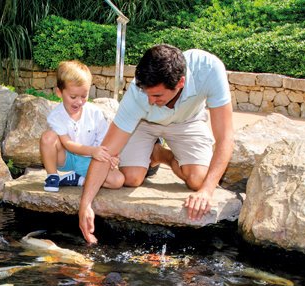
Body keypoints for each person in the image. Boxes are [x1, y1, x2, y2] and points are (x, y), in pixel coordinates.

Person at [78, 44, 234, 244]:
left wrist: (206, 191)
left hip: (187, 122)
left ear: (181, 82)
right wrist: (85, 204)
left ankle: (161, 155)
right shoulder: (137, 94)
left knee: (199, 180)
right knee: (131, 178)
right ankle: (153, 151)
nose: (150, 101)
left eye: (157, 95)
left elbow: (225, 138)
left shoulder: (209, 69)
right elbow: (106, 152)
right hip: (144, 123)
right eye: (147, 93)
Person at [40, 60, 125, 192]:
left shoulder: (95, 113)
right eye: (73, 97)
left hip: (90, 161)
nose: (79, 102)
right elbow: (67, 144)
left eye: (84, 96)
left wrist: (111, 157)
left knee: (117, 181)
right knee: (48, 137)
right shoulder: (56, 116)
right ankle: (53, 176)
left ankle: (78, 180)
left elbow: (106, 141)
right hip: (66, 158)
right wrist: (93, 151)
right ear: (59, 92)